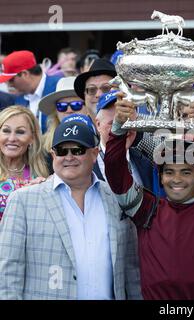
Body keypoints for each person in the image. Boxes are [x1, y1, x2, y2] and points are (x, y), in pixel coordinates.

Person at [104, 94, 194, 300]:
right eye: (169, 172)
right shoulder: (146, 209)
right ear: (159, 177)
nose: (176, 179)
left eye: (186, 172)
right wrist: (118, 127)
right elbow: (116, 173)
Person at [0, 117, 141, 300]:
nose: (69, 157)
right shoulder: (22, 200)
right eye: (61, 150)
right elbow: (8, 273)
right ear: (52, 155)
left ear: (94, 153)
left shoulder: (116, 198)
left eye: (77, 150)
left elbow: (131, 270)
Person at [94, 90, 153, 189]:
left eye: (128, 122)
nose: (122, 129)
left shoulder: (146, 162)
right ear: (98, 125)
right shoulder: (87, 165)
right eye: (113, 123)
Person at [0, 106, 49, 220]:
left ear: (32, 138)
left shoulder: (39, 176)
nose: (12, 138)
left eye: (20, 132)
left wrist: (43, 192)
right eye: (6, 131)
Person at [0, 50, 61, 133]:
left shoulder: (59, 87)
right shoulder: (19, 99)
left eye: (11, 80)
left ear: (25, 74)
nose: (9, 85)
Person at [39, 76, 89, 156]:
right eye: (62, 106)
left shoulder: (100, 136)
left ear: (88, 107)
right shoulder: (43, 145)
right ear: (56, 111)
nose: (69, 110)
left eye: (76, 105)